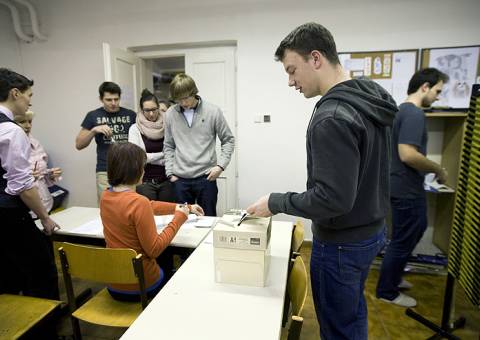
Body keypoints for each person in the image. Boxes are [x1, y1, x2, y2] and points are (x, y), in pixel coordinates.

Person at [246, 23, 397, 340]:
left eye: (292, 70)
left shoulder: (332, 116)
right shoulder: (369, 94)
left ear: (315, 58)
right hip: (372, 231)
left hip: (342, 243)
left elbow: (333, 199)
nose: (290, 82)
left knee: (339, 328)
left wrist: (276, 202)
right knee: (352, 312)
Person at [376, 68, 449, 307]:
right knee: (403, 239)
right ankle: (387, 291)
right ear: (425, 87)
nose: (438, 97)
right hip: (406, 188)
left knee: (410, 233)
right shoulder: (414, 114)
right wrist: (438, 169)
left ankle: (393, 278)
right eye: (437, 91)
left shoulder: (399, 111)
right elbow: (407, 154)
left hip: (399, 186)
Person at [100, 142, 204, 301]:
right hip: (142, 286)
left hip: (114, 285)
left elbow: (148, 205)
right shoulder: (138, 202)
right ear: (136, 170)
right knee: (177, 274)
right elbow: (154, 249)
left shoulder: (106, 196)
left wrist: (184, 207)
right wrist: (179, 218)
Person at [0, 68, 60, 300]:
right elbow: (23, 186)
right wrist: (44, 217)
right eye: (29, 95)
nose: (29, 102)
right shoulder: (11, 131)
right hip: (11, 216)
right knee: (42, 274)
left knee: (8, 277)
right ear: (15, 93)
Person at [164, 73, 235, 216]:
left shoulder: (213, 111)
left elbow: (228, 140)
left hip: (206, 177)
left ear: (194, 92)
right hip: (180, 179)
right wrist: (170, 172)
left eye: (186, 98)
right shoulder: (170, 114)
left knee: (208, 219)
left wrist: (220, 166)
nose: (183, 103)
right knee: (182, 223)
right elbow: (169, 145)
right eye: (179, 100)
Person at [75, 81, 136, 202]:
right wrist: (93, 130)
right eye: (109, 100)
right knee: (107, 206)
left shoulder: (131, 115)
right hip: (105, 170)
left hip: (127, 168)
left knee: (129, 205)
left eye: (116, 99)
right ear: (101, 99)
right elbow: (79, 145)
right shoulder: (93, 115)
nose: (113, 103)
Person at [128, 89, 174, 202]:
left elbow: (175, 152)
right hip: (145, 182)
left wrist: (149, 157)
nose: (151, 114)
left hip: (168, 181)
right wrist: (164, 155)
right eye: (147, 110)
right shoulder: (135, 129)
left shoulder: (168, 124)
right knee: (148, 215)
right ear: (141, 110)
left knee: (168, 215)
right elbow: (138, 157)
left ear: (158, 107)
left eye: (154, 109)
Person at [14, 110, 63, 215]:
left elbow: (41, 174)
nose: (28, 126)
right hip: (23, 205)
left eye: (30, 122)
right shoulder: (8, 146)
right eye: (22, 122)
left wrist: (50, 174)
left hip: (45, 204)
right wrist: (27, 177)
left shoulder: (36, 143)